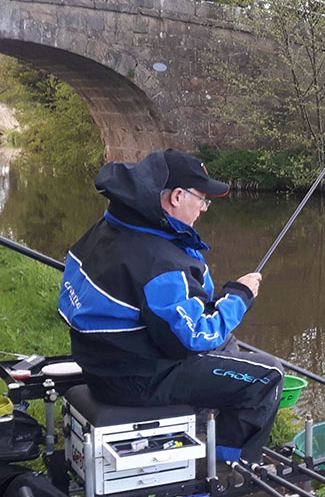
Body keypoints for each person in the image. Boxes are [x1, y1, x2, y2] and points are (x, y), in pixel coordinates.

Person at [57, 148, 282, 464]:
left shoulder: (108, 229)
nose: (203, 209)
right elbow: (192, 338)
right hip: (138, 379)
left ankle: (205, 428)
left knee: (229, 345)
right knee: (267, 375)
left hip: (100, 363)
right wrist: (239, 297)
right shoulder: (160, 262)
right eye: (202, 199)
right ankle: (232, 469)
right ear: (177, 196)